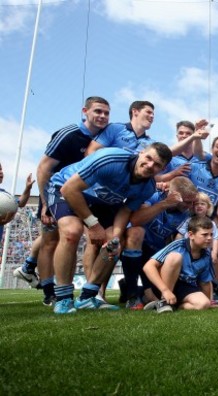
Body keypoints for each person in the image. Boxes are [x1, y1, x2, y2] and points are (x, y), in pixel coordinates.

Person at [46, 142, 171, 314]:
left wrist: (117, 237)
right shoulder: (111, 159)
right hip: (66, 188)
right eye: (149, 158)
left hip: (102, 202)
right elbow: (70, 189)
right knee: (71, 232)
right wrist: (93, 224)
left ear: (162, 169)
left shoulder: (147, 187)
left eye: (157, 165)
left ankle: (88, 297)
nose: (150, 165)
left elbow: (125, 210)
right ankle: (63, 298)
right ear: (141, 152)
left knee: (113, 244)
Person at [13, 96, 111, 305]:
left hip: (82, 194)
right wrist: (45, 203)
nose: (102, 116)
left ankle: (92, 294)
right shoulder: (68, 134)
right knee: (50, 240)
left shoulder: (105, 137)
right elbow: (43, 168)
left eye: (106, 113)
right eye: (98, 111)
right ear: (85, 111)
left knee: (81, 236)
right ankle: (50, 292)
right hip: (53, 191)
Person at [120, 176, 198, 309]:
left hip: (156, 251)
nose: (190, 206)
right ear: (174, 195)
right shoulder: (154, 196)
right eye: (186, 202)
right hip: (135, 245)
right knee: (136, 233)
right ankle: (132, 295)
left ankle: (134, 289)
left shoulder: (185, 214)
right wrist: (165, 204)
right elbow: (135, 220)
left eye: (192, 202)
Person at [142, 216, 215, 313]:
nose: (209, 238)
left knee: (203, 304)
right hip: (163, 284)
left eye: (211, 234)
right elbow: (148, 266)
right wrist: (165, 291)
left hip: (185, 286)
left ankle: (172, 305)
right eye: (205, 235)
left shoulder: (206, 255)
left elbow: (204, 282)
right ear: (191, 235)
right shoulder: (178, 245)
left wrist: (209, 302)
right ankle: (164, 301)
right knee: (175, 257)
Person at [86, 100, 156, 155]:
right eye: (148, 112)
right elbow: (91, 151)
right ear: (135, 112)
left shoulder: (151, 143)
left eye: (153, 114)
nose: (152, 116)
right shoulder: (115, 128)